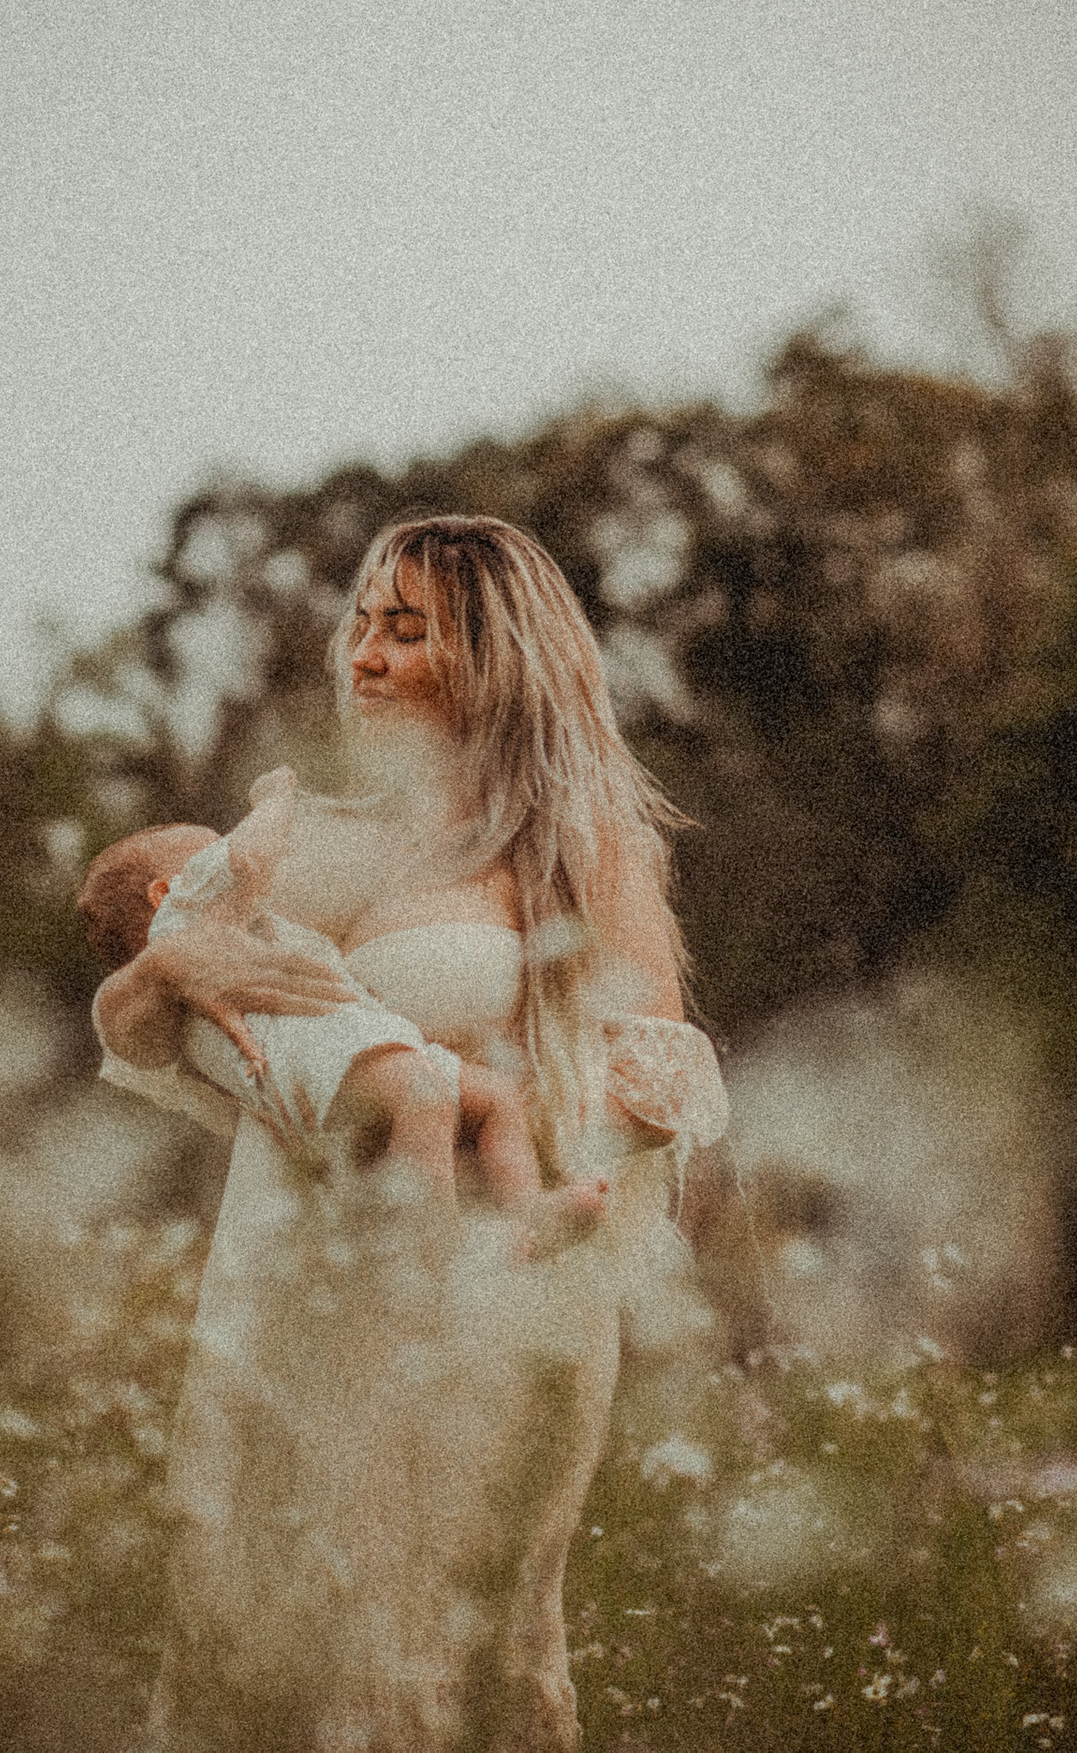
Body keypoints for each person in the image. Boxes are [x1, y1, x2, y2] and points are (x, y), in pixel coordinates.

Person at [94, 515, 729, 1753]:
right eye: (360, 626)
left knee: (450, 1650)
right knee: (255, 1639)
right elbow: (134, 1030)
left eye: (405, 629)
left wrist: (491, 1131)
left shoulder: (577, 840)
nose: (363, 656)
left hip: (489, 1299)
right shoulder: (313, 836)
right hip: (289, 1301)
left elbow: (668, 1073)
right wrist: (166, 966)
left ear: (490, 655)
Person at [77, 773, 608, 1247]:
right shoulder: (188, 916)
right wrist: (272, 798)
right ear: (165, 891)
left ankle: (526, 1213)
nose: (227, 852)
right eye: (210, 851)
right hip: (325, 1054)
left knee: (495, 1097)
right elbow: (250, 858)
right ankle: (429, 1253)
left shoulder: (221, 936)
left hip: (361, 1045)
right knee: (426, 1100)